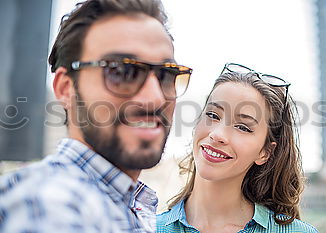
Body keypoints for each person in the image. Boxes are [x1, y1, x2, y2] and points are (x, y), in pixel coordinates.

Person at [0, 0, 192, 232]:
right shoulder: (50, 203)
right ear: (66, 88)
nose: (155, 98)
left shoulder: (129, 206)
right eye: (122, 71)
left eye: (166, 74)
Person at [157, 63, 318, 233]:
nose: (217, 135)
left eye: (242, 127)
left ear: (265, 152)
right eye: (212, 115)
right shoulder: (144, 228)